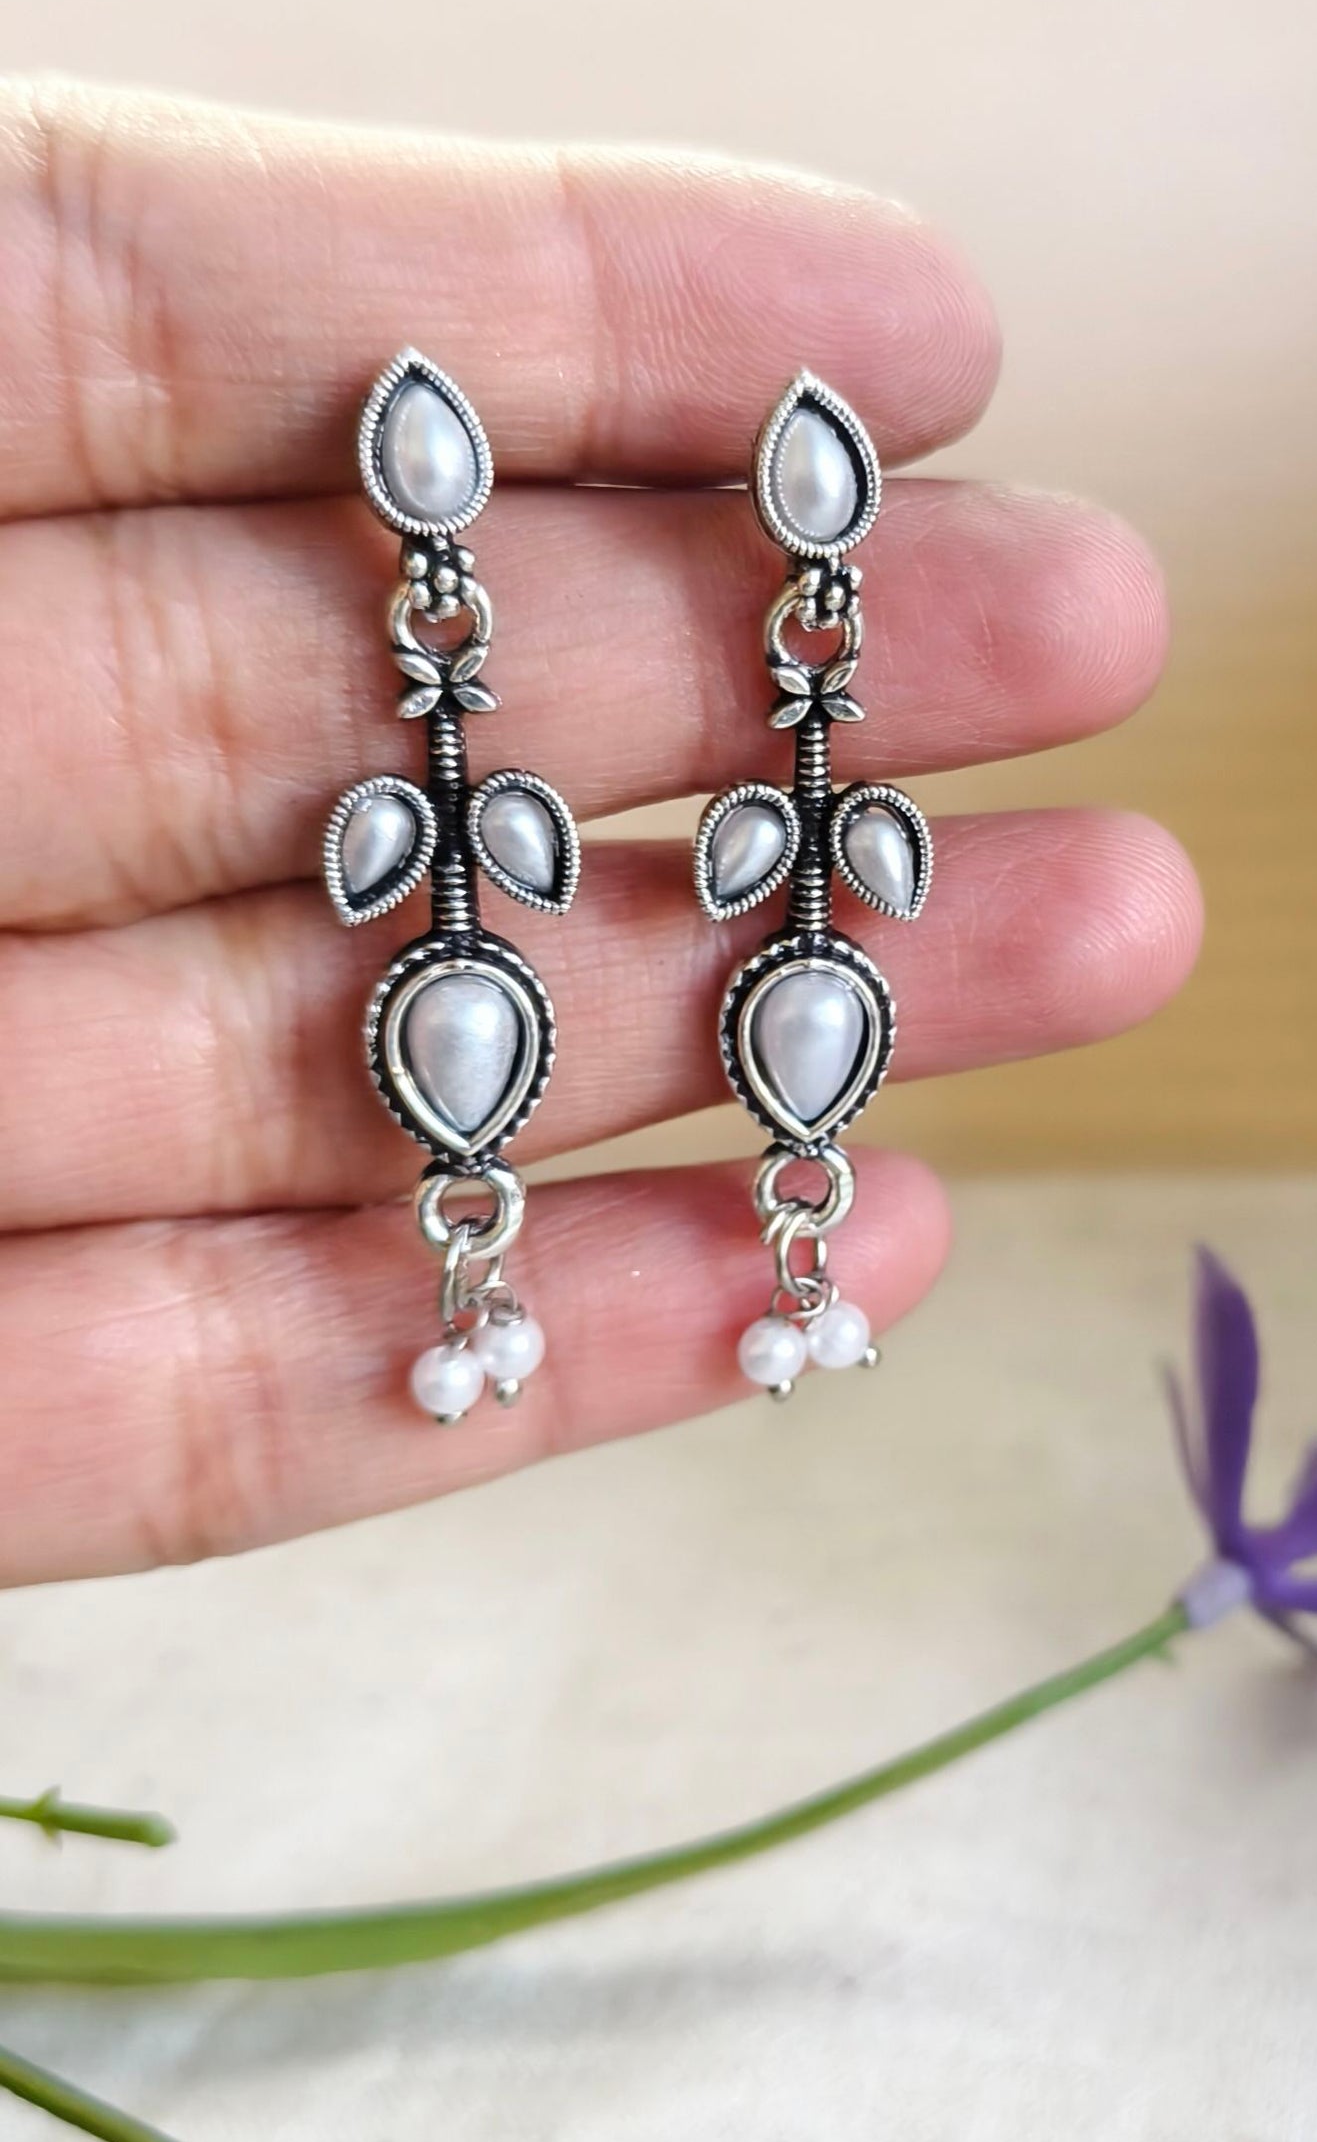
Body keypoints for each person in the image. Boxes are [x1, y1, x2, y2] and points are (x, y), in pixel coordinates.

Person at [0, 83, 1200, 1586]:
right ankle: (559, 1279)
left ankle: (595, 1276)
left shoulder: (653, 779)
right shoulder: (460, 781)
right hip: (487, 945)